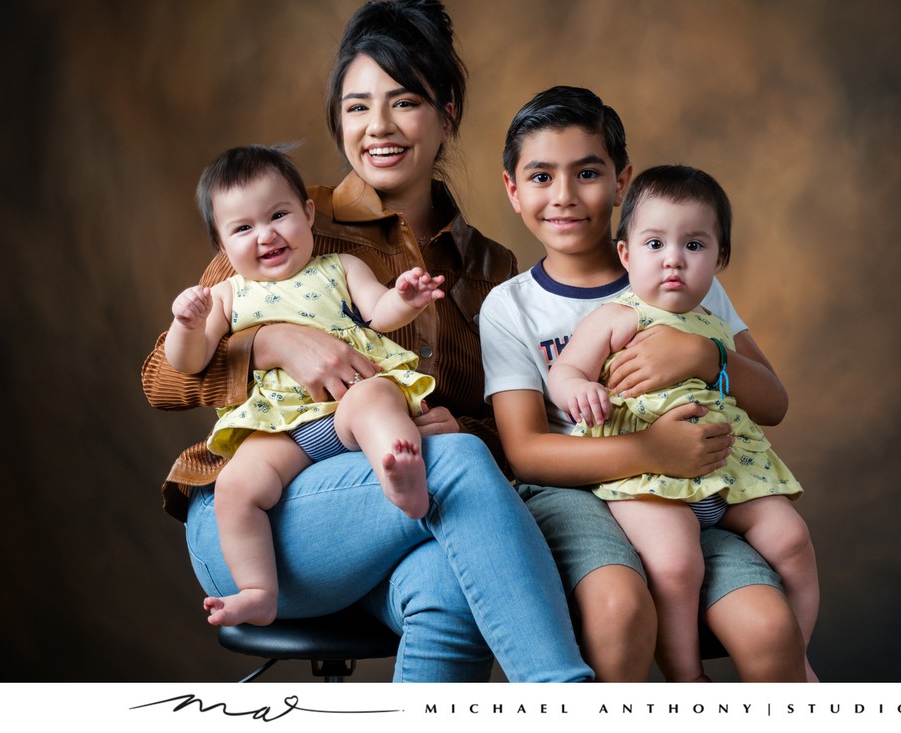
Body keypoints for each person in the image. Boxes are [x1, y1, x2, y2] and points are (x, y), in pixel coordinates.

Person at [141, 0, 593, 682]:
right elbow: (161, 379)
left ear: (446, 116)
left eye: (404, 102)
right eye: (356, 107)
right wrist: (274, 342)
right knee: (458, 465)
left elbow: (516, 431)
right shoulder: (281, 220)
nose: (377, 127)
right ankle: (564, 698)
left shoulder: (491, 268)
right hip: (257, 514)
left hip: (398, 505)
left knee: (452, 587)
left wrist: (461, 423)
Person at [480, 85, 808, 681]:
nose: (564, 197)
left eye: (586, 173)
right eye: (541, 177)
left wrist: (706, 358)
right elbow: (525, 454)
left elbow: (775, 404)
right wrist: (648, 452)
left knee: (769, 631)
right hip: (577, 494)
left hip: (700, 491)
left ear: (622, 180)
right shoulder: (511, 307)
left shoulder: (683, 276)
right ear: (512, 189)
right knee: (620, 611)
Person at [547, 163, 820, 682]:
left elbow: (771, 396)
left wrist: (711, 355)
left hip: (728, 468)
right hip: (651, 479)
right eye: (654, 244)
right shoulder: (613, 318)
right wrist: (580, 389)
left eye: (694, 246)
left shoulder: (715, 324)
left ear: (719, 259)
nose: (673, 259)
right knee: (676, 564)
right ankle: (685, 676)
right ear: (625, 254)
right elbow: (566, 370)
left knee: (791, 540)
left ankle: (797, 656)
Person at [166, 144, 446, 627]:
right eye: (243, 228)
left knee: (376, 397)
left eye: (279, 215)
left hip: (345, 406)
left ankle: (399, 474)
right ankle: (258, 589)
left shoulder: (340, 268)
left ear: (307, 212)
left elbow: (379, 313)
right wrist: (187, 325)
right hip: (277, 429)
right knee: (235, 485)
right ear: (221, 245)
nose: (267, 235)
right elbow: (187, 363)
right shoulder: (228, 294)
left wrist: (406, 298)